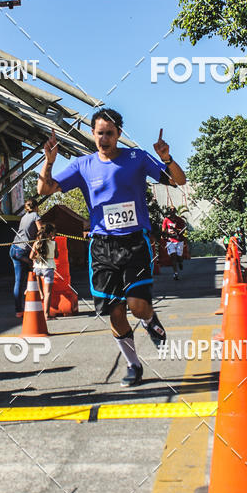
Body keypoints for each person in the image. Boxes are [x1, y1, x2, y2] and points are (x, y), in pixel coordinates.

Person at [37, 108, 186, 387]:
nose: (104, 138)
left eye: (109, 133)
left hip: (134, 242)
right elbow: (44, 190)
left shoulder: (137, 158)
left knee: (137, 306)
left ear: (118, 134)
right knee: (115, 312)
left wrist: (167, 158)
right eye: (99, 133)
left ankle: (149, 319)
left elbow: (179, 180)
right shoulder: (83, 165)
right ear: (92, 134)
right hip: (102, 246)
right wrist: (49, 161)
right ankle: (133, 365)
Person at [10, 198, 41, 317]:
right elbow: (41, 232)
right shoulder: (35, 216)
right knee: (37, 270)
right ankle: (38, 299)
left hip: (14, 248)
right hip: (22, 251)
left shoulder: (24, 217)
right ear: (36, 207)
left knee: (19, 281)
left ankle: (19, 311)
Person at [30, 222, 59, 318]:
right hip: (48, 268)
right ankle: (46, 315)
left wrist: (38, 257)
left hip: (37, 268)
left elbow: (31, 256)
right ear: (50, 233)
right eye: (53, 233)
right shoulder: (54, 243)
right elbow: (56, 256)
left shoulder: (36, 243)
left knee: (38, 285)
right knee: (48, 293)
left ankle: (40, 293)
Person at [161, 206, 186, 279]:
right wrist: (165, 234)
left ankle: (180, 262)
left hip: (179, 240)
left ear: (175, 212)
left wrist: (175, 230)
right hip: (170, 241)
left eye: (173, 210)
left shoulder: (180, 220)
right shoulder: (166, 220)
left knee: (179, 257)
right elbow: (163, 230)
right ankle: (175, 273)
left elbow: (183, 230)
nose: (171, 212)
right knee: (173, 256)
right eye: (170, 210)